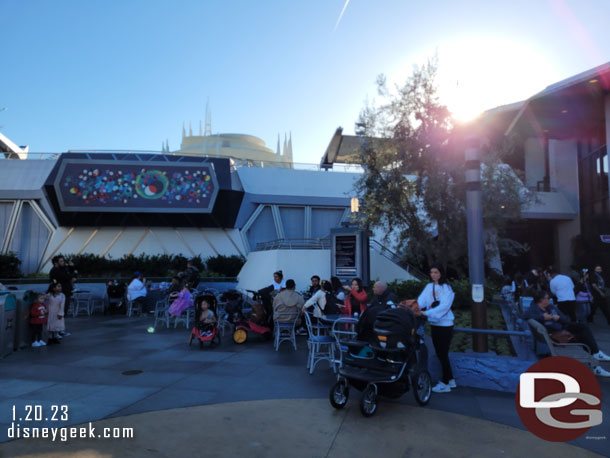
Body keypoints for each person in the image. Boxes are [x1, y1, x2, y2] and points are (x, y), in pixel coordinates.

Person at [525, 291, 610, 376]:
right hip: (558, 336)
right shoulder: (534, 309)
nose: (549, 300)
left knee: (583, 327)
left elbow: (565, 319)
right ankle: (596, 360)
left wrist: (558, 319)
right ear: (541, 300)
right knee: (584, 336)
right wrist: (543, 317)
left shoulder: (550, 307)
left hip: (563, 327)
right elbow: (525, 315)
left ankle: (596, 355)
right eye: (547, 298)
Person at [417, 265, 456, 393]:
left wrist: (426, 313)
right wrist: (414, 307)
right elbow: (421, 301)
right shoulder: (429, 287)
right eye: (431, 272)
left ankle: (445, 383)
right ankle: (450, 380)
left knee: (442, 353)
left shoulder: (447, 289)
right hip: (435, 324)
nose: (433, 274)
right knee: (440, 353)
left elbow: (444, 306)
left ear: (441, 273)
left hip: (445, 325)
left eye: (436, 272)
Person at [49, 256, 76, 337]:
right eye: (61, 261)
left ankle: (60, 330)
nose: (63, 262)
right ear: (56, 263)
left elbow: (69, 275)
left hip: (66, 293)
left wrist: (71, 267)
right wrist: (73, 274)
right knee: (60, 312)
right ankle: (57, 331)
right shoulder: (55, 271)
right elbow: (66, 277)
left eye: (63, 261)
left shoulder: (62, 269)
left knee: (63, 312)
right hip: (60, 294)